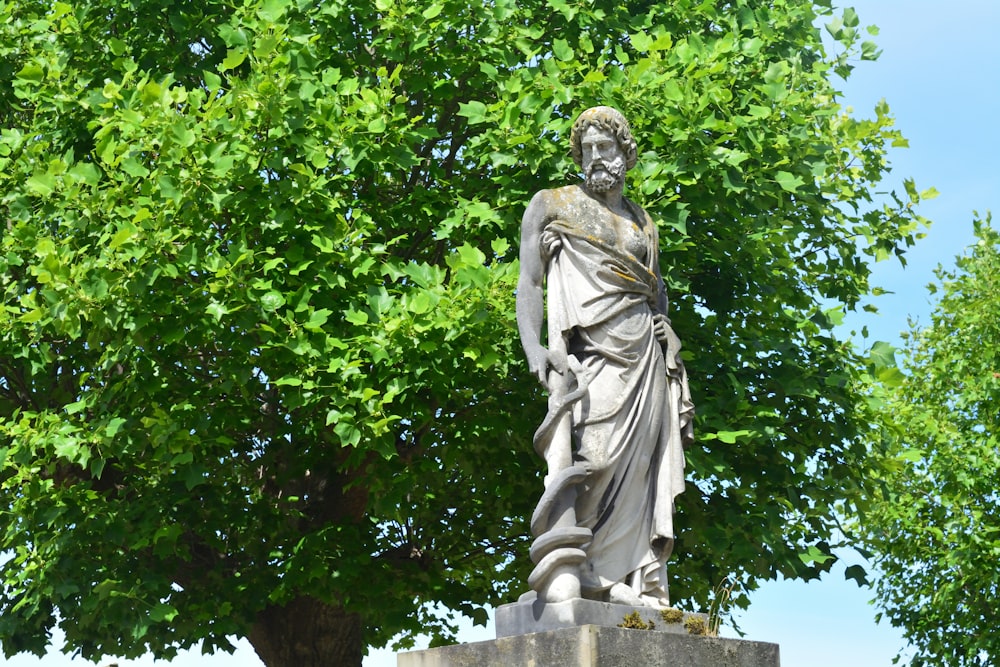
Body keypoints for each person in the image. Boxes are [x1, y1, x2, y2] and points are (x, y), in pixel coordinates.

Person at [515, 106, 694, 608]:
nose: (596, 157)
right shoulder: (553, 204)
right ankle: (582, 567)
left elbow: (654, 293)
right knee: (595, 457)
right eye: (587, 148)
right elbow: (528, 283)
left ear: (625, 153)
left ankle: (630, 577)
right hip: (590, 356)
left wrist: (667, 328)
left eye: (606, 147)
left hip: (646, 359)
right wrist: (536, 351)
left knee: (641, 472)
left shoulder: (642, 221)